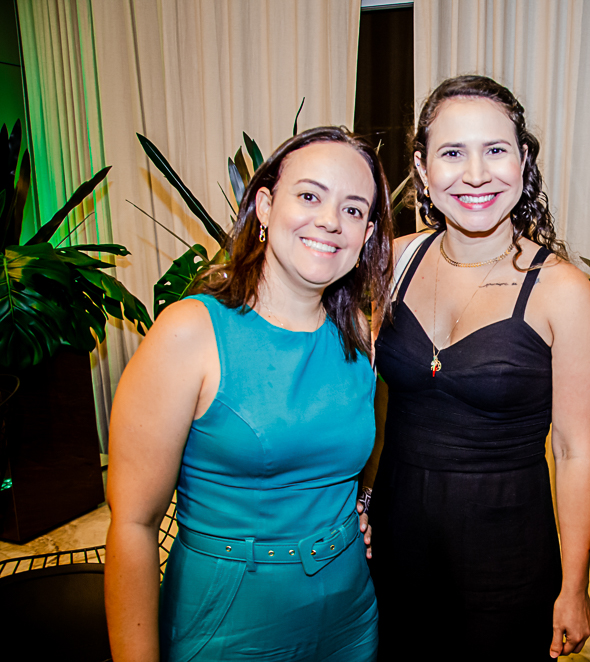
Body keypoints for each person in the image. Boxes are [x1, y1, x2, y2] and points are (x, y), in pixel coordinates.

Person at [105, 126, 394, 661]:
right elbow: (133, 525)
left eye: (354, 211)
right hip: (229, 621)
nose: (330, 221)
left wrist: (359, 507)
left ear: (368, 234)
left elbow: (346, 458)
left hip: (350, 617)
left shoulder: (362, 334)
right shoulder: (190, 333)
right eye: (310, 196)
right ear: (264, 205)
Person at [367, 75, 590, 661]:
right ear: (422, 169)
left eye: (495, 150)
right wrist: (360, 495)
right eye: (452, 153)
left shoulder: (562, 292)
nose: (475, 174)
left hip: (508, 558)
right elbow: (358, 394)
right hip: (394, 545)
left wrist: (574, 587)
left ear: (523, 160)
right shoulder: (391, 261)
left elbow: (576, 453)